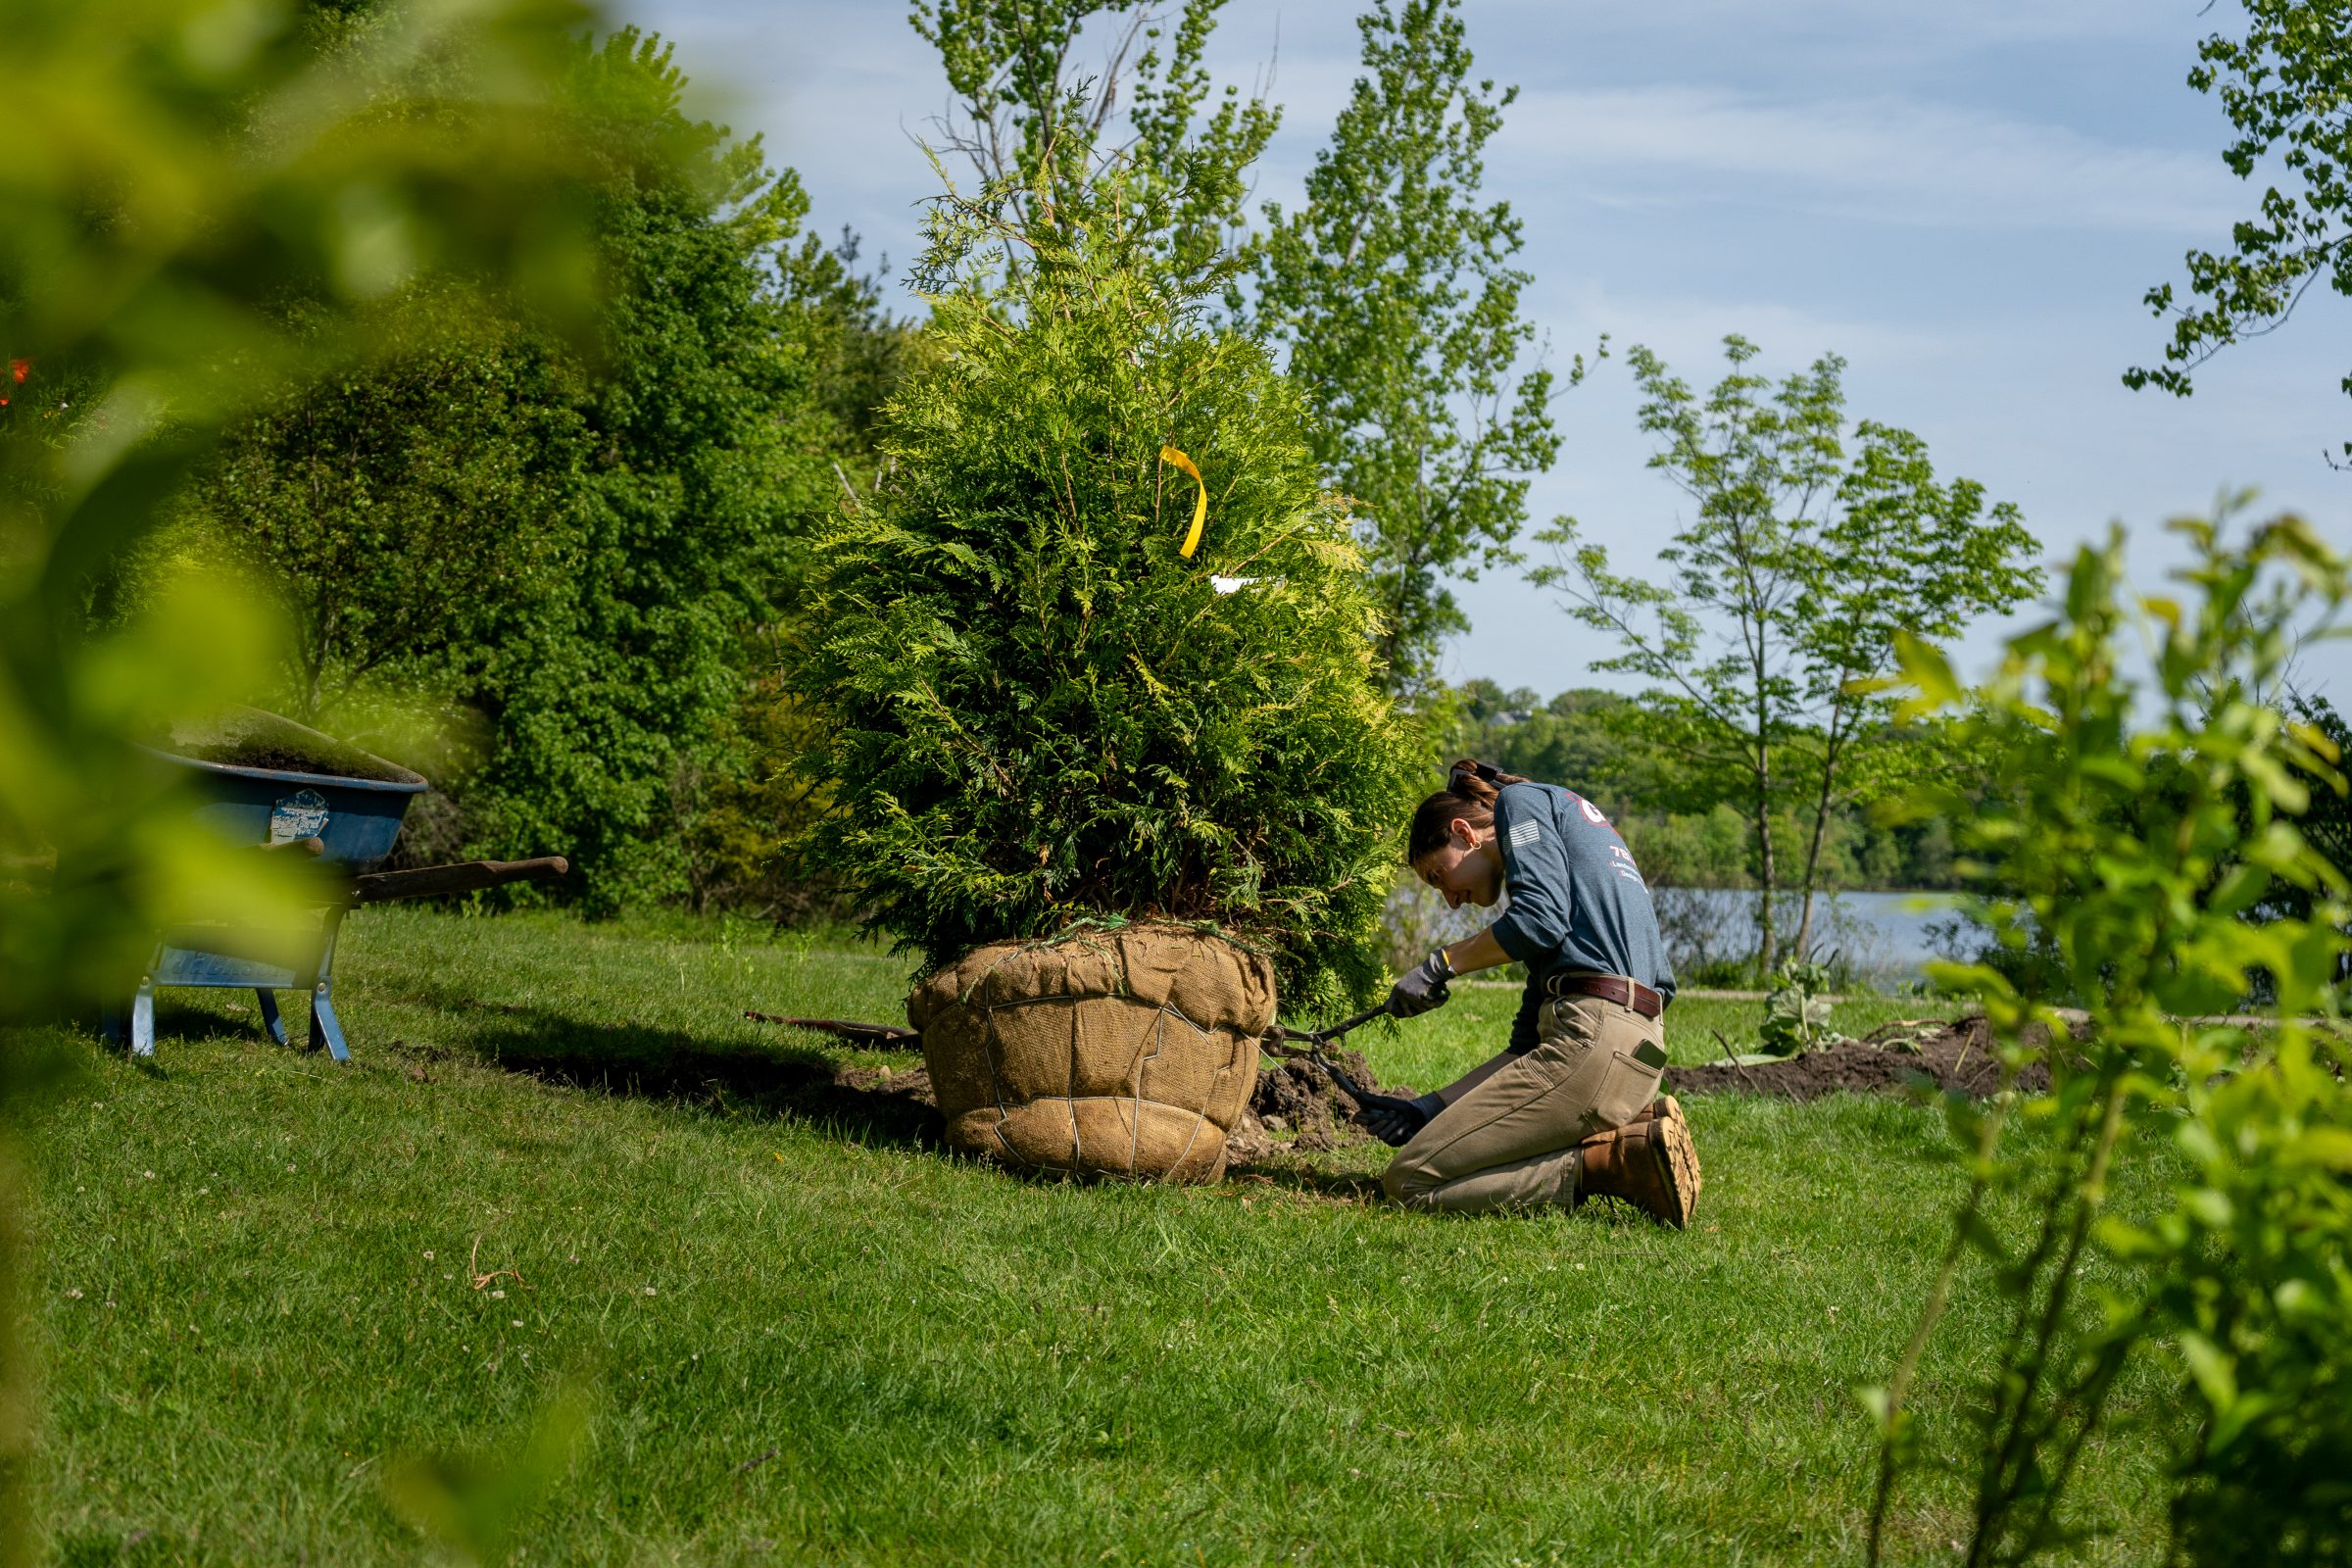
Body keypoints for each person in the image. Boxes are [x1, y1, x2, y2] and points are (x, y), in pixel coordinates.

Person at [1353, 760, 1702, 1224]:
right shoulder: (1569, 861)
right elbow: (1525, 1049)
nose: (1451, 899)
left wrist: (1441, 965)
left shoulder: (1522, 804)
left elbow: (1537, 922)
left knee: (1409, 1182)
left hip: (1596, 1047)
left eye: (1439, 877)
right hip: (1641, 1055)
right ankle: (1634, 1133)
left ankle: (1610, 1165)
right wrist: (1426, 1109)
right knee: (1452, 1152)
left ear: (1465, 833)